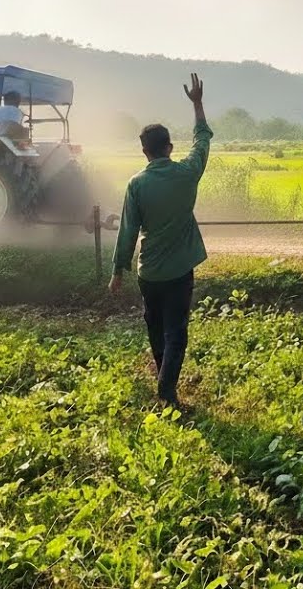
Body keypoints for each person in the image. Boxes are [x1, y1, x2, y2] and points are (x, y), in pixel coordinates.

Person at [109, 73, 212, 409]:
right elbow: (202, 141)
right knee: (175, 332)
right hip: (179, 270)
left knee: (155, 326)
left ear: (144, 151)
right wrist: (197, 104)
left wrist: (117, 271)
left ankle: (163, 378)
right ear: (169, 148)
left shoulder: (136, 185)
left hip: (148, 272)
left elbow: (127, 230)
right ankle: (166, 391)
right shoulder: (187, 173)